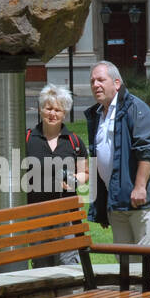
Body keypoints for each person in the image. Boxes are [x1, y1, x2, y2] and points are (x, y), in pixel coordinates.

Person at [84, 60, 150, 249]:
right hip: (116, 201)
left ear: (117, 83)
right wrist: (103, 204)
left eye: (101, 80)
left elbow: (148, 149)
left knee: (149, 256)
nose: (95, 85)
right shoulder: (97, 115)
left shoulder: (136, 108)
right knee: (124, 259)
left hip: (141, 200)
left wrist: (140, 187)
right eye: (92, 81)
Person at [24, 84, 89, 266]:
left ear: (64, 113)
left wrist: (75, 180)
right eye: (48, 108)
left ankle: (71, 295)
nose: (53, 114)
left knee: (68, 264)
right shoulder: (27, 139)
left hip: (67, 214)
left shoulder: (74, 141)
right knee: (40, 264)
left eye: (58, 110)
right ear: (40, 109)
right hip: (36, 213)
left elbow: (85, 172)